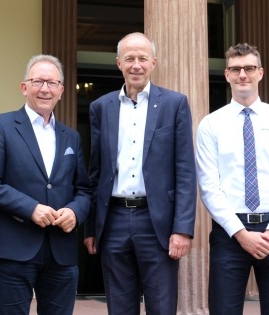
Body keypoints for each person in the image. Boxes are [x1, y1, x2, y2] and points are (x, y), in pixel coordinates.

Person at [83, 32, 197, 315]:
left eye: (142, 58)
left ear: (153, 63)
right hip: (114, 221)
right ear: (118, 63)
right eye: (130, 58)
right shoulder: (101, 107)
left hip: (156, 222)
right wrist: (91, 228)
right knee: (119, 307)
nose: (136, 65)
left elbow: (185, 171)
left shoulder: (174, 104)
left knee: (161, 306)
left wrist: (182, 229)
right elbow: (95, 172)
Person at [0, 54, 91, 315]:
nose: (45, 89)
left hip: (62, 251)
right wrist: (30, 208)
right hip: (15, 247)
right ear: (24, 87)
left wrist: (75, 211)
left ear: (61, 90)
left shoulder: (71, 137)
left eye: (52, 83)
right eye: (38, 81)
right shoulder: (0, 126)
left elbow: (83, 189)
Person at [196, 43, 269, 315]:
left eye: (249, 68)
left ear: (260, 73)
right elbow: (208, 186)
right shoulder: (211, 124)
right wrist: (240, 233)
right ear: (227, 75)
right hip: (230, 232)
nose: (243, 74)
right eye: (236, 69)